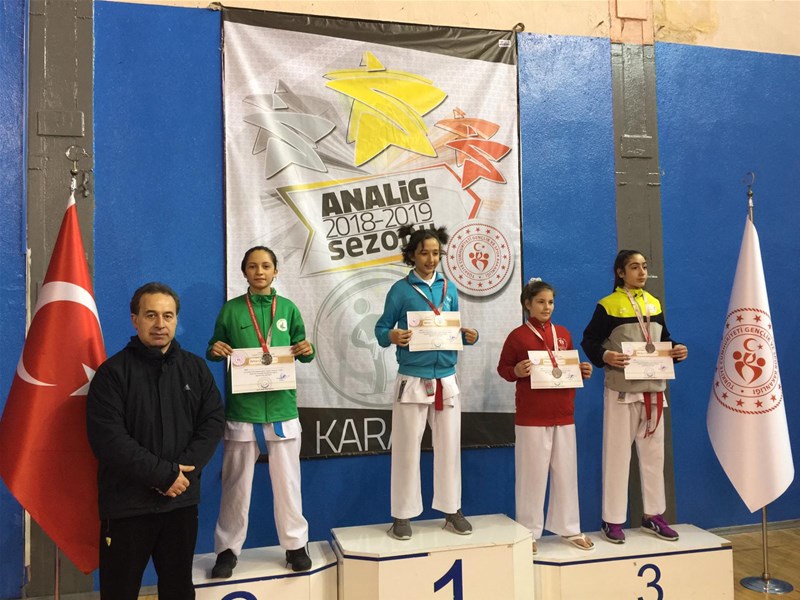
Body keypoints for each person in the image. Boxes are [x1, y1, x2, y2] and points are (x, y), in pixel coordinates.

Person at [86, 282, 225, 600]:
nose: (160, 324)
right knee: (119, 593)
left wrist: (182, 474)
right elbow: (109, 439)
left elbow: (213, 421)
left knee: (179, 590)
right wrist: (164, 475)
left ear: (176, 320)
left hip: (180, 504)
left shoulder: (195, 369)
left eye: (168, 315)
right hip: (127, 507)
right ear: (135, 320)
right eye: (151, 315)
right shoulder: (112, 374)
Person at [208, 246, 316, 578]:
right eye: (253, 266)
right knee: (235, 485)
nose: (259, 272)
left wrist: (307, 348)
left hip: (282, 408)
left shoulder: (288, 308)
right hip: (243, 409)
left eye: (266, 266)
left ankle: (296, 545)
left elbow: (303, 348)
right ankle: (227, 550)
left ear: (275, 271)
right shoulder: (231, 310)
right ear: (244, 272)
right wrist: (215, 349)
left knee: (288, 483)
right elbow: (215, 346)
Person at [375, 225, 479, 540]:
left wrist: (467, 335)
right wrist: (392, 335)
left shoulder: (449, 289)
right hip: (412, 377)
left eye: (436, 253)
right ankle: (402, 515)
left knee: (449, 447)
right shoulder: (401, 290)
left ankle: (452, 509)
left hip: (446, 378)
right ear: (412, 255)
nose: (431, 259)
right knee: (406, 448)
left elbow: (452, 329)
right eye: (424, 253)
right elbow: (381, 329)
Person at [581, 250, 688, 544]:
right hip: (622, 392)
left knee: (655, 457)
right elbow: (589, 340)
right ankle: (612, 520)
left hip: (654, 391)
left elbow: (662, 341)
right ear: (620, 272)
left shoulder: (653, 303)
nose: (641, 272)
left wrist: (676, 349)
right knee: (617, 456)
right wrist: (605, 355)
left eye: (644, 266)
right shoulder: (608, 305)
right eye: (634, 267)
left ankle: (653, 515)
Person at [497, 278, 594, 555]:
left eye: (550, 302)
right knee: (532, 476)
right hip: (532, 416)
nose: (547, 307)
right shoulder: (518, 336)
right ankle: (528, 531)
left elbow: (566, 369)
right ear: (528, 304)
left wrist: (582, 370)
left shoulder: (562, 333)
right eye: (540, 302)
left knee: (566, 473)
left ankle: (569, 527)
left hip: (563, 413)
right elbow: (503, 369)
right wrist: (516, 371)